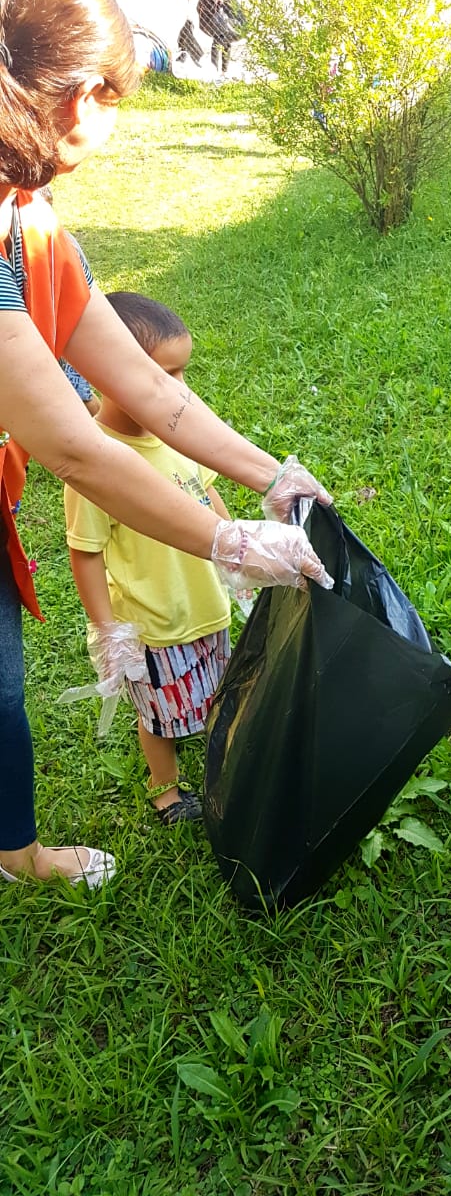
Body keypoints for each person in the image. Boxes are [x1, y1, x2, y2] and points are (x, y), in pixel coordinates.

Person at [0, 0, 331, 886]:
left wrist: (272, 474)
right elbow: (72, 444)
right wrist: (229, 543)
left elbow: (148, 389)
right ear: (79, 97)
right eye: (113, 101)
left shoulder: (27, 215)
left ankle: (14, 853)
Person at [65, 292, 240, 826]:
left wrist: (238, 555)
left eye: (182, 374)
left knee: (218, 694)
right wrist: (107, 630)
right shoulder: (96, 461)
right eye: (165, 376)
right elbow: (85, 551)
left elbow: (207, 494)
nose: (179, 392)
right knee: (160, 717)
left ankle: (222, 766)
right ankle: (164, 789)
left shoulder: (176, 432)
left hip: (206, 606)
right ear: (109, 371)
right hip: (155, 624)